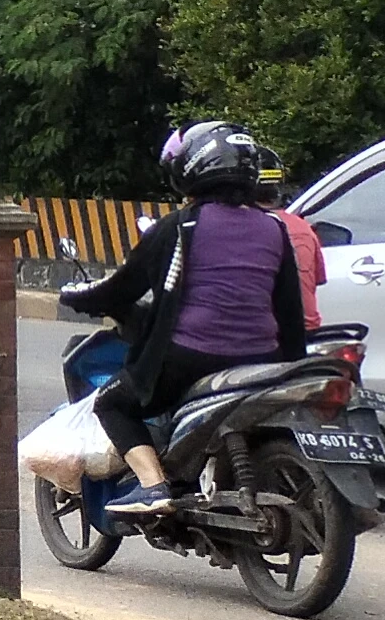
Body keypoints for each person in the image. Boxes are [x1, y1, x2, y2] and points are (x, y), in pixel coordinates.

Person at [62, 121, 307, 512]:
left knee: (112, 403)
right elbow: (289, 309)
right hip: (261, 360)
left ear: (192, 168)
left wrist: (78, 297)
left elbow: (123, 288)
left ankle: (153, 485)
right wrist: (294, 364)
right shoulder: (274, 229)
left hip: (189, 357)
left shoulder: (179, 227)